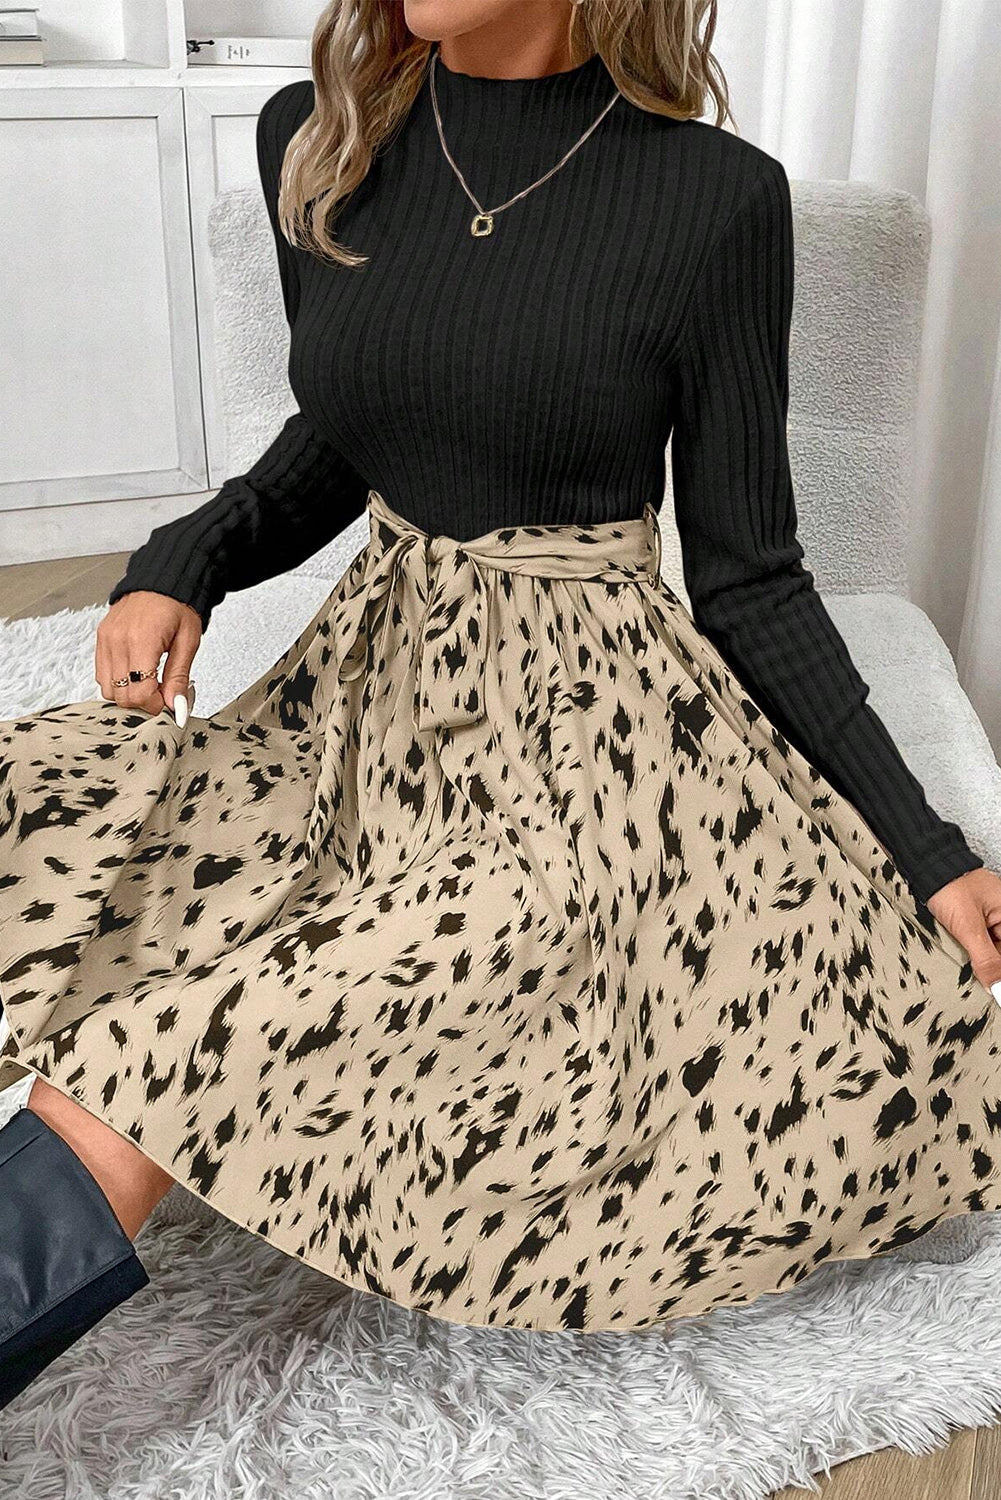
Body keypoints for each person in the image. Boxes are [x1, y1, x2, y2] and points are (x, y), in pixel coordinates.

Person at [3, 0, 1001, 1412]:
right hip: (369, 698)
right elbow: (343, 436)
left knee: (160, 1053)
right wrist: (185, 563)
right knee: (64, 823)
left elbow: (751, 577)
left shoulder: (714, 200)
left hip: (590, 740)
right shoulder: (320, 141)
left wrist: (926, 846)